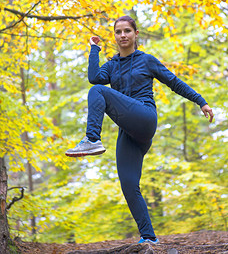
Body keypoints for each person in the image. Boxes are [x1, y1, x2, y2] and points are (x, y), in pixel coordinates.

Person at [65, 16, 214, 245]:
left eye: (127, 31)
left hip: (145, 118)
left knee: (98, 92)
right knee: (128, 183)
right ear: (114, 36)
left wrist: (201, 101)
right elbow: (94, 77)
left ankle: (92, 138)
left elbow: (174, 82)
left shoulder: (147, 60)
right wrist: (94, 49)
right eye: (118, 32)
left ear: (135, 34)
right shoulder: (112, 65)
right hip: (129, 131)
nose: (122, 35)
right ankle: (148, 236)